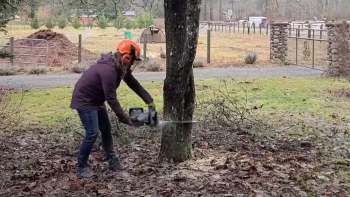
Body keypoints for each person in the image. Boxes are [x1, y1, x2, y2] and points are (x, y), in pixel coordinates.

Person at [70, 40, 155, 178]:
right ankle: (81, 167)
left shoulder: (120, 66)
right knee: (92, 133)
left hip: (96, 100)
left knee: (106, 129)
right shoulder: (109, 70)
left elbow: (134, 84)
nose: (132, 64)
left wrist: (149, 100)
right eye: (132, 61)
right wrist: (126, 119)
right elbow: (111, 99)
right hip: (85, 101)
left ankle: (112, 160)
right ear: (126, 57)